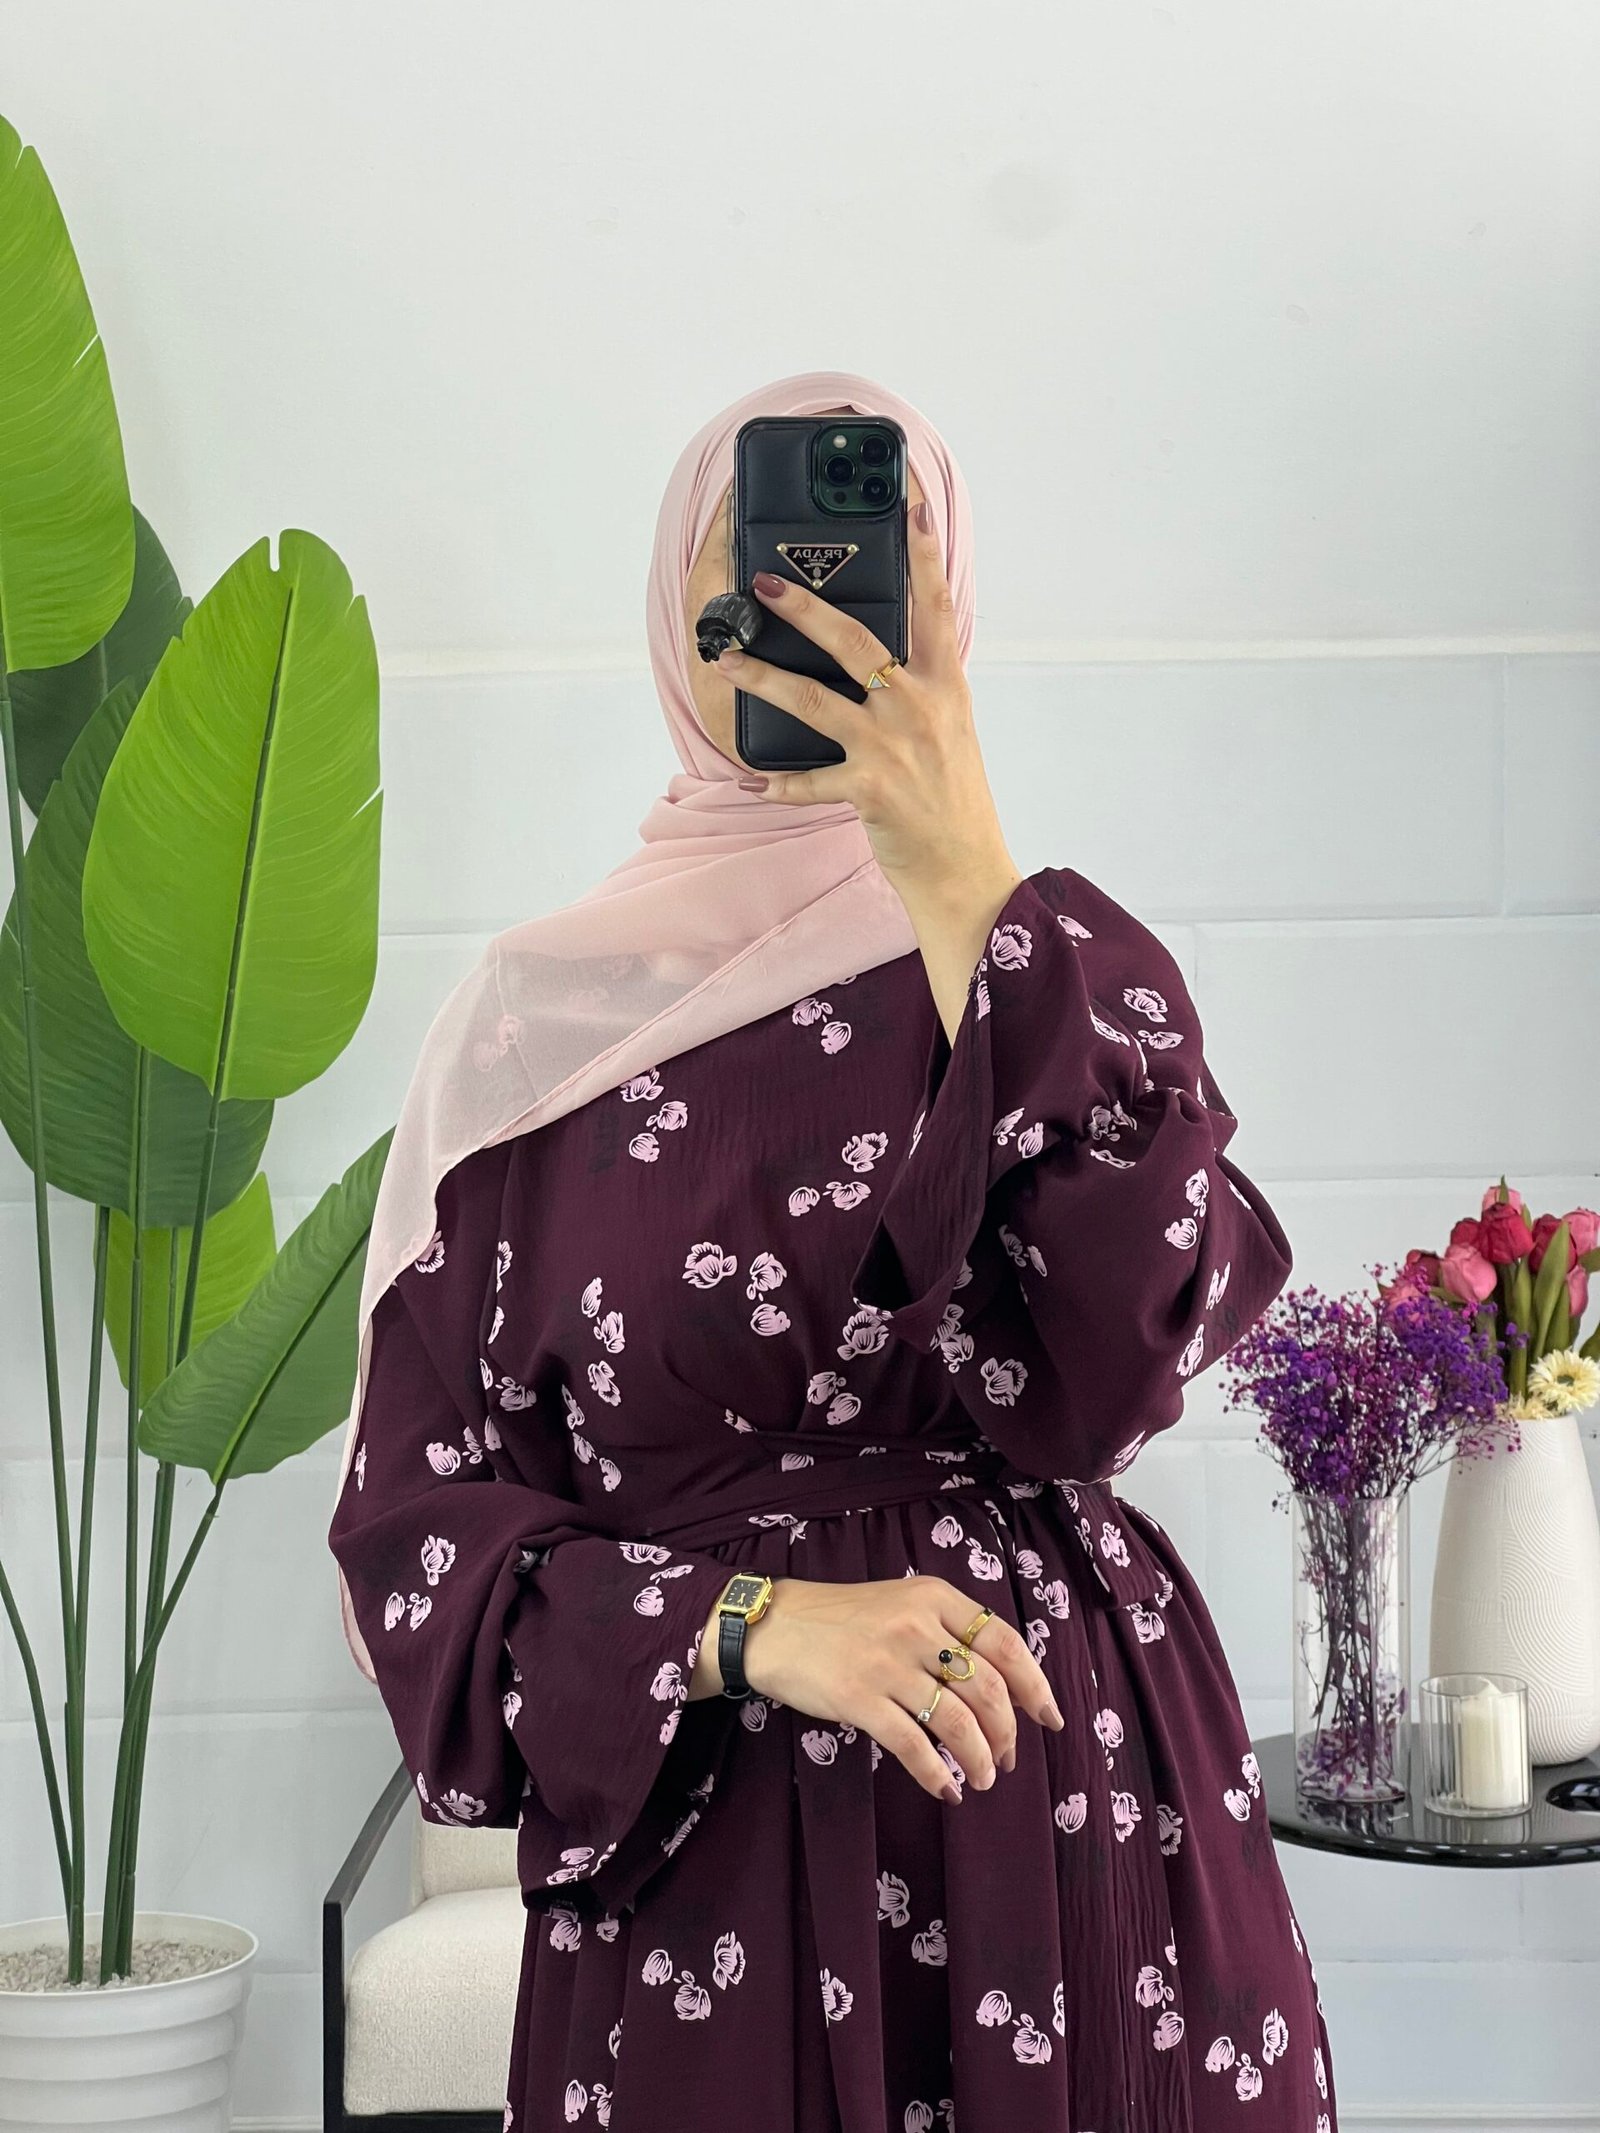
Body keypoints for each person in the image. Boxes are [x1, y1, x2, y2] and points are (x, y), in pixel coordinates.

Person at [327, 370, 1338, 2133]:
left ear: (945, 604)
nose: (806, 598)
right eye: (758, 550)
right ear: (679, 601)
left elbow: (1119, 1376)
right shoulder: (528, 1035)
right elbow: (416, 1543)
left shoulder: (1056, 972)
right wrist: (741, 1621)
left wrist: (970, 887)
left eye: (871, 554)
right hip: (705, 1870)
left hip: (1074, 1830)